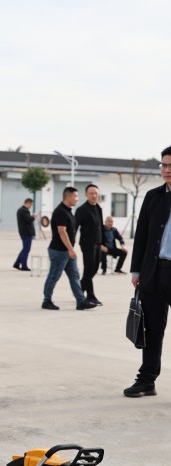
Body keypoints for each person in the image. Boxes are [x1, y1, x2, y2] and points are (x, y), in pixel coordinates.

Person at [123, 147, 171, 398]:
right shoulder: (153, 197)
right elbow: (141, 234)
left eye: (170, 166)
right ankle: (147, 380)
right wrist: (136, 270)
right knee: (152, 329)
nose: (166, 170)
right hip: (153, 273)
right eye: (163, 165)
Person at [41, 187, 97, 311]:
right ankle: (46, 300)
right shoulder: (60, 211)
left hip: (67, 251)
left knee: (74, 276)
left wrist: (70, 250)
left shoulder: (68, 211)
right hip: (59, 251)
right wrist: (71, 249)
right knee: (54, 275)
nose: (77, 199)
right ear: (68, 197)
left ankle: (81, 301)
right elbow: (62, 232)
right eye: (75, 196)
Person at [75, 184, 105, 305]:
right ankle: (91, 296)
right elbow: (74, 227)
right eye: (91, 193)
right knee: (88, 270)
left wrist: (103, 243)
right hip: (87, 244)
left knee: (94, 269)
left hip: (98, 244)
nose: (93, 196)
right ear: (86, 195)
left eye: (95, 193)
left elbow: (101, 227)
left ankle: (80, 289)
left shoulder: (99, 208)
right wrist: (70, 244)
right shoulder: (81, 210)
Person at [13, 198, 35, 271]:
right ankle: (24, 265)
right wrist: (33, 217)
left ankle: (17, 263)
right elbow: (28, 220)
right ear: (28, 203)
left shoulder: (20, 210)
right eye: (31, 204)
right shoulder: (24, 211)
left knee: (24, 249)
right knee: (26, 249)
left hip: (23, 232)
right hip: (27, 232)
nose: (31, 206)